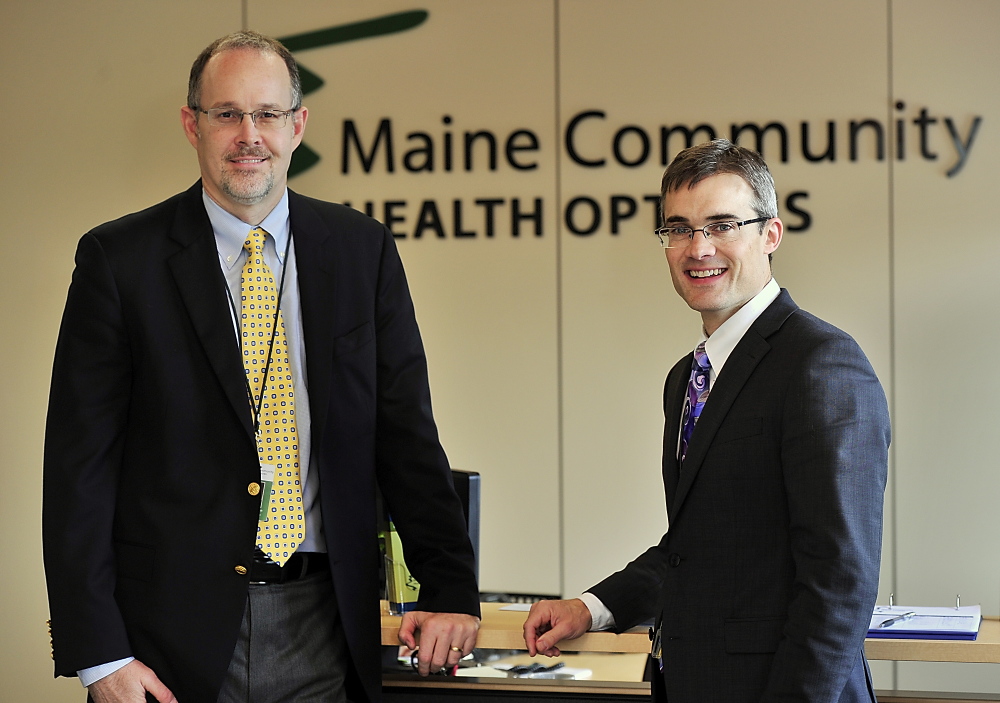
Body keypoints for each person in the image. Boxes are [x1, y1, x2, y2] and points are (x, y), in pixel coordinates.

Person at [42, 30, 479, 703]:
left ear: (298, 125)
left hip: (325, 620)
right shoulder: (119, 262)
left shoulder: (361, 251)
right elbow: (79, 470)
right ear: (193, 124)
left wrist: (449, 585)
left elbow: (406, 434)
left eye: (268, 114)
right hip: (167, 634)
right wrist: (100, 654)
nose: (250, 135)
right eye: (227, 114)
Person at [523, 139, 890, 702]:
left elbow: (839, 580)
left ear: (770, 235)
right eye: (679, 229)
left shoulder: (822, 363)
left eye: (722, 225)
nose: (699, 248)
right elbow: (696, 547)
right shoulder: (687, 378)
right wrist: (591, 608)